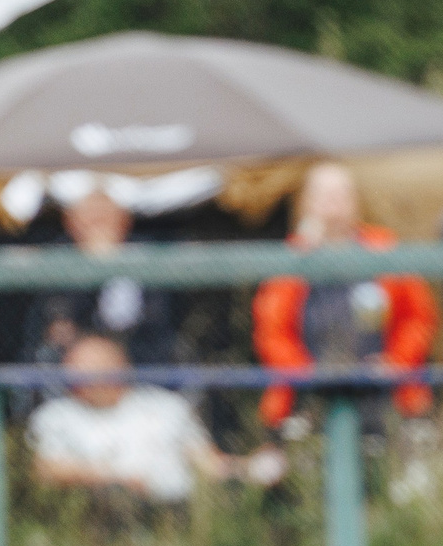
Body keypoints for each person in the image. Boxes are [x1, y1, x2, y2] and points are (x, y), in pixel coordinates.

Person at [254, 163, 436, 429]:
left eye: (341, 195)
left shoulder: (384, 249)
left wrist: (395, 363)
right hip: (308, 401)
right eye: (324, 196)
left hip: (385, 396)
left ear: (355, 201)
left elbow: (418, 319)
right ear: (306, 203)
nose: (333, 205)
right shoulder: (291, 262)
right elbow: (271, 332)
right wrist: (305, 374)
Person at [28, 334, 278, 502]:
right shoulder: (56, 417)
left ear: (121, 366)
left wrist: (251, 468)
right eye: (76, 370)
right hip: (101, 515)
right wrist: (115, 479)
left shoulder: (167, 407)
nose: (81, 379)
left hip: (174, 512)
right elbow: (47, 470)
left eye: (96, 368)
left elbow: (208, 463)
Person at [20, 185, 178, 367]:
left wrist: (112, 263)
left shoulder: (146, 255)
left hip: (138, 354)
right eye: (91, 220)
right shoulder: (57, 256)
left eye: (104, 219)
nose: (98, 227)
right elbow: (57, 322)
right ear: (71, 224)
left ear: (124, 221)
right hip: (76, 355)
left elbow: (157, 320)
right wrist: (92, 265)